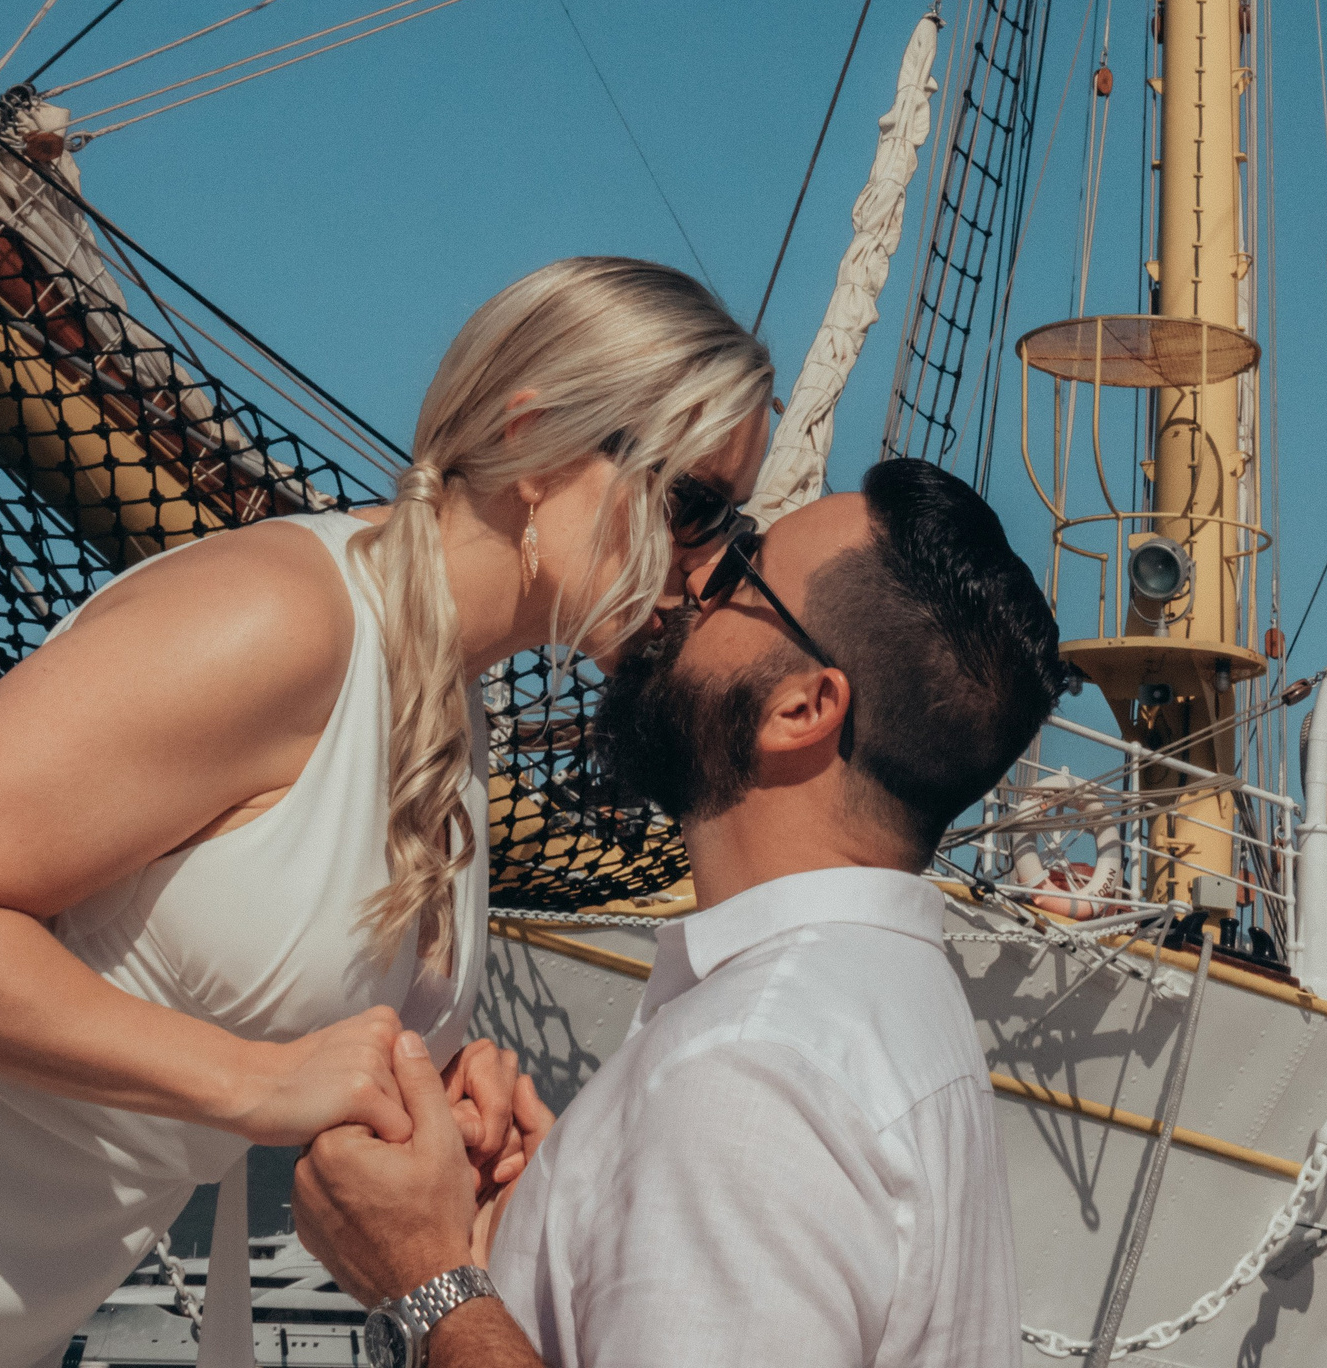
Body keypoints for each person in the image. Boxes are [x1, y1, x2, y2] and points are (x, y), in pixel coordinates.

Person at [0, 257, 775, 1368]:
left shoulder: (448, 706)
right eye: (692, 505)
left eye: (728, 528)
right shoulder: (285, 619)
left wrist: (432, 1091)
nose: (703, 571)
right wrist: (252, 1081)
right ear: (539, 440)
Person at [290, 458, 1067, 1368]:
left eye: (742, 569)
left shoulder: (751, 1076)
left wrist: (425, 1283)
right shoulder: (892, 1004)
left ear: (802, 706)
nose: (690, 574)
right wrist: (562, 1224)